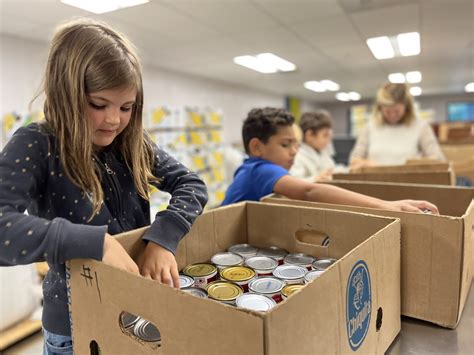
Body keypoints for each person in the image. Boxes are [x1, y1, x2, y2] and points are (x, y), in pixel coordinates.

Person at [0, 18, 208, 354]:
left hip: (136, 309)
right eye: (99, 105)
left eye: (126, 108)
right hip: (75, 325)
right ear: (66, 94)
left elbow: (192, 184)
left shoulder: (133, 142)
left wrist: (163, 238)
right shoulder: (37, 143)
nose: (114, 120)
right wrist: (97, 243)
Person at [221, 107, 438, 215]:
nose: (294, 151)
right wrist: (385, 205)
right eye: (285, 145)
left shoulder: (251, 169)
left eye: (295, 144)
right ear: (257, 147)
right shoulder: (261, 169)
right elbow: (308, 191)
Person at [350, 83, 445, 168]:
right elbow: (354, 160)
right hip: (375, 182)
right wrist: (369, 164)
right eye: (387, 111)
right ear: (380, 108)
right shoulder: (370, 127)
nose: (392, 115)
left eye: (397, 111)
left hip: (408, 183)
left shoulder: (421, 126)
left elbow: (439, 160)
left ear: (407, 107)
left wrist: (416, 165)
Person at [290, 110, 337, 181]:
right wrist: (316, 179)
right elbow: (294, 182)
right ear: (310, 135)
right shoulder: (297, 156)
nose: (328, 140)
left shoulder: (322, 152)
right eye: (325, 135)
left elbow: (331, 168)